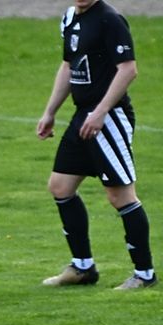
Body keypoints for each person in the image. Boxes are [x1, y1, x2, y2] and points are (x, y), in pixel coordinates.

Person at [37, 0, 155, 289]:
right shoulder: (70, 18)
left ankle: (144, 274)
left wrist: (101, 111)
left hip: (108, 118)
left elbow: (128, 69)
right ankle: (82, 268)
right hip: (83, 116)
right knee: (61, 186)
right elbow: (68, 65)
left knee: (120, 196)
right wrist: (50, 111)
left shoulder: (110, 19)